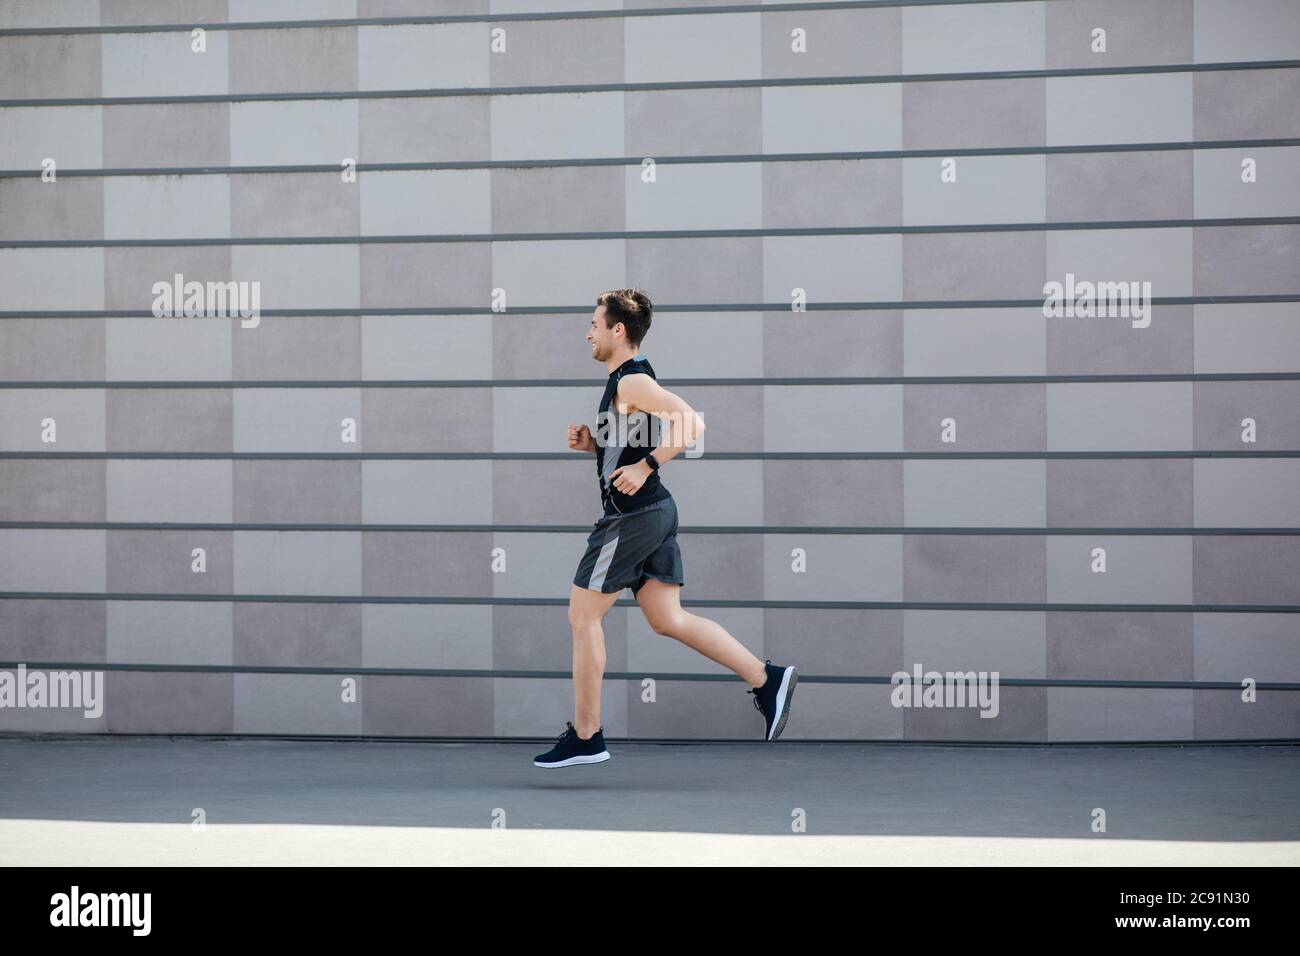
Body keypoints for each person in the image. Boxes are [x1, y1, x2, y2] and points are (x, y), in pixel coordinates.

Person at [534, 289, 797, 768]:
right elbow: (628, 449)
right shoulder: (624, 382)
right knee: (667, 618)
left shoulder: (631, 382)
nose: (587, 332)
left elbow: (691, 423)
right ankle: (768, 679)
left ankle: (587, 735)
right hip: (654, 514)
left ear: (618, 330)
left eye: (594, 323)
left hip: (632, 517)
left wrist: (649, 465)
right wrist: (595, 446)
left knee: (582, 616)